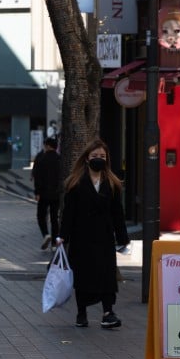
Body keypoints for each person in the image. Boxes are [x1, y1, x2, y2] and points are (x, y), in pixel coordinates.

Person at [55, 138, 129, 329]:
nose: (99, 159)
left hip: (104, 238)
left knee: (107, 276)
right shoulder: (76, 183)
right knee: (83, 275)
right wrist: (63, 235)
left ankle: (108, 313)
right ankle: (82, 312)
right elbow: (69, 213)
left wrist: (122, 238)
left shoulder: (112, 183)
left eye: (102, 156)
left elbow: (117, 213)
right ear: (87, 158)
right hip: (82, 238)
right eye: (95, 156)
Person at [31, 137, 61, 249]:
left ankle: (46, 234)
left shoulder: (41, 158)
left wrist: (37, 192)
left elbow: (37, 176)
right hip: (56, 194)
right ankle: (54, 243)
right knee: (54, 218)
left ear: (47, 146)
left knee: (41, 215)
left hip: (43, 193)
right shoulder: (60, 159)